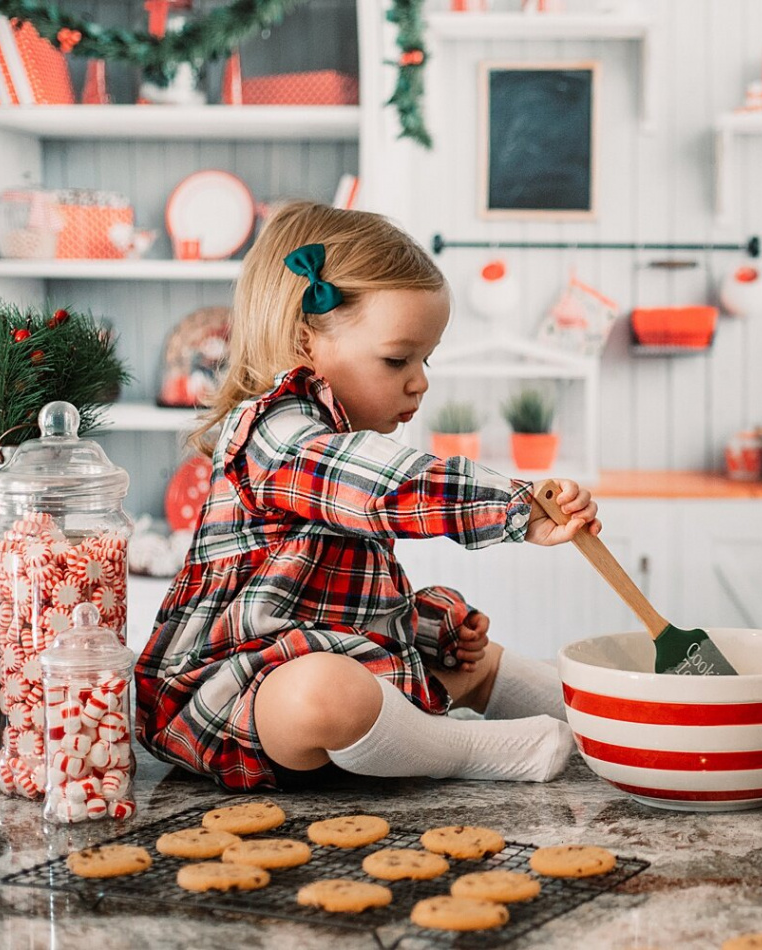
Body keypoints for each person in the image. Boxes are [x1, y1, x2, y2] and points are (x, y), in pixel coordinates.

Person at [136, 201, 599, 792]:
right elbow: (390, 487)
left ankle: (609, 716)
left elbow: (352, 602)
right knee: (323, 692)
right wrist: (515, 508)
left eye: (425, 358)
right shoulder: (277, 432)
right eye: (397, 359)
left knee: (470, 660)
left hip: (332, 658)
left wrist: (432, 628)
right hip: (232, 697)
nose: (420, 381)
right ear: (308, 343)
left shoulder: (338, 439)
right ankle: (463, 750)